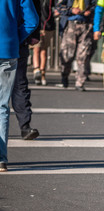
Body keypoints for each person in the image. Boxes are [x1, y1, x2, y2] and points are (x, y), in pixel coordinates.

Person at [0, 0, 39, 172]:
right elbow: (32, 21)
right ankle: (1, 159)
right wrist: (15, 37)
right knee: (2, 107)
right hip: (8, 48)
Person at [12, 0, 41, 141]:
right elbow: (33, 17)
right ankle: (25, 127)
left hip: (16, 42)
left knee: (19, 86)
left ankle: (25, 126)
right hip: (16, 42)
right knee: (19, 86)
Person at [56, 0, 96, 91]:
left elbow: (96, 5)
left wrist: (90, 11)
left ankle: (80, 82)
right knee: (67, 55)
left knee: (83, 55)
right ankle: (64, 76)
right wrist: (71, 10)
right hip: (70, 25)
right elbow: (59, 6)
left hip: (86, 26)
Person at [32, 0, 56, 86]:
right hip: (37, 27)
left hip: (48, 27)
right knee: (36, 49)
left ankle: (42, 73)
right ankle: (36, 70)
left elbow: (56, 7)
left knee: (44, 50)